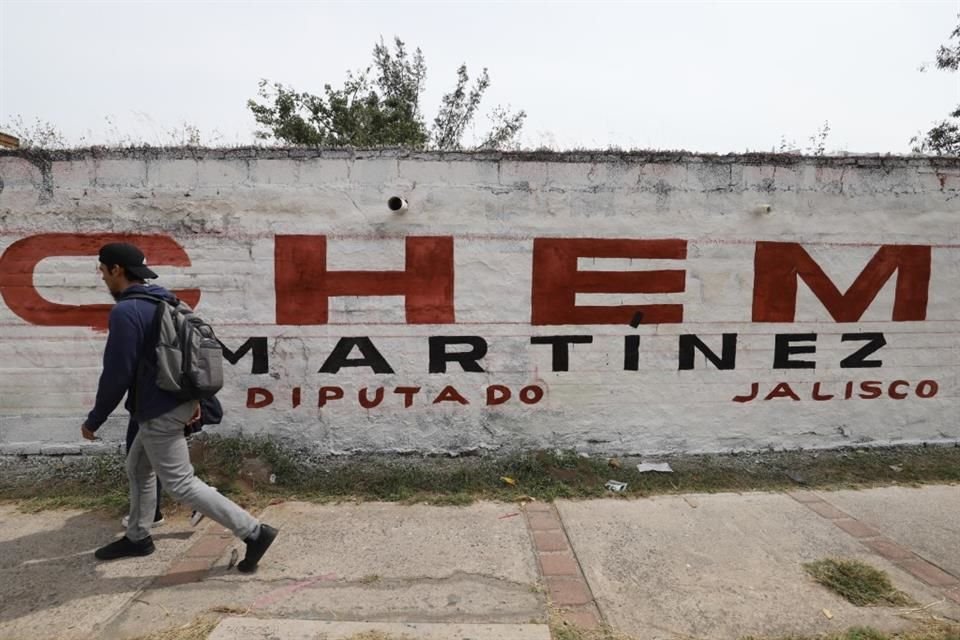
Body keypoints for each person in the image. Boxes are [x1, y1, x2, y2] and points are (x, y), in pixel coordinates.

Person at [80, 242, 277, 572]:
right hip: (173, 401)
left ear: (116, 270)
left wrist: (94, 420)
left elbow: (117, 373)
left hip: (161, 410)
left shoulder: (127, 312)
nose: (101, 278)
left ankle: (254, 532)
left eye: (102, 271)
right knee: (138, 468)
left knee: (181, 484)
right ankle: (138, 537)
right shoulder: (163, 299)